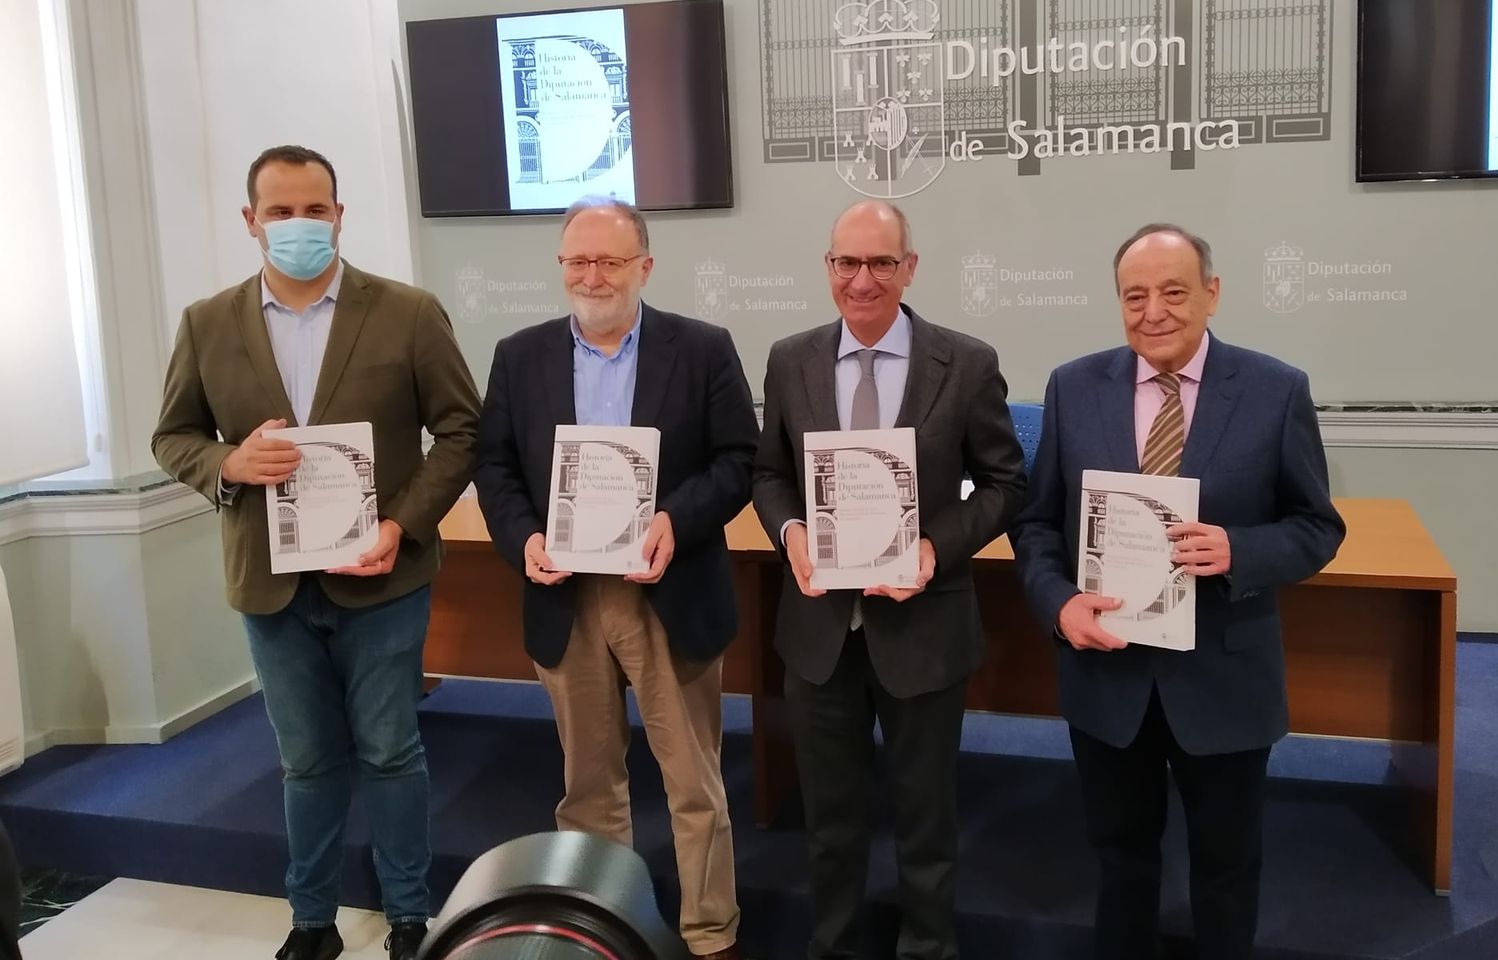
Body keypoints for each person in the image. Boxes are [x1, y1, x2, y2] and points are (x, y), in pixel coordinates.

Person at [151, 146, 481, 960]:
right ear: (250, 221)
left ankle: (410, 915)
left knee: (392, 749)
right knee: (305, 762)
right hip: (270, 583)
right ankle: (311, 921)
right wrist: (226, 464)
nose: (299, 225)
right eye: (280, 211)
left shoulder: (406, 311)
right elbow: (172, 436)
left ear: (339, 215)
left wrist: (402, 526)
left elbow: (462, 430)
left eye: (314, 209)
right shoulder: (207, 321)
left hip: (383, 575)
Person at [1011, 223, 1346, 960]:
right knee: (1121, 863)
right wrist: (1060, 604)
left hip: (1223, 679)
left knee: (1226, 873)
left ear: (1212, 294)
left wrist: (1239, 549)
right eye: (1135, 296)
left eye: (1173, 292)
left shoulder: (1274, 389)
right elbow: (1036, 527)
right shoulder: (1072, 387)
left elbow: (1317, 527)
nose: (1153, 311)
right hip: (1109, 677)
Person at [473, 198, 757, 960]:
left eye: (610, 260)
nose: (592, 275)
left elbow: (739, 461)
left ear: (645, 267)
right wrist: (523, 537)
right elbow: (494, 466)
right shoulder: (518, 355)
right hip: (567, 596)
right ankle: (600, 924)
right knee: (588, 785)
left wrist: (676, 520)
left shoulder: (702, 349)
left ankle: (709, 932)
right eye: (577, 260)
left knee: (693, 783)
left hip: (667, 589)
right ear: (561, 266)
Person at [752, 200, 1026, 960]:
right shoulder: (789, 357)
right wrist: (791, 530)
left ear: (910, 269)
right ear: (827, 268)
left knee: (926, 824)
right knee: (830, 825)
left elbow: (1007, 484)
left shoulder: (965, 363)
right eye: (847, 262)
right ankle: (834, 948)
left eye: (880, 263)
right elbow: (769, 475)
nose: (862, 280)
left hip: (925, 629)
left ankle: (928, 950)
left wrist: (936, 548)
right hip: (819, 637)